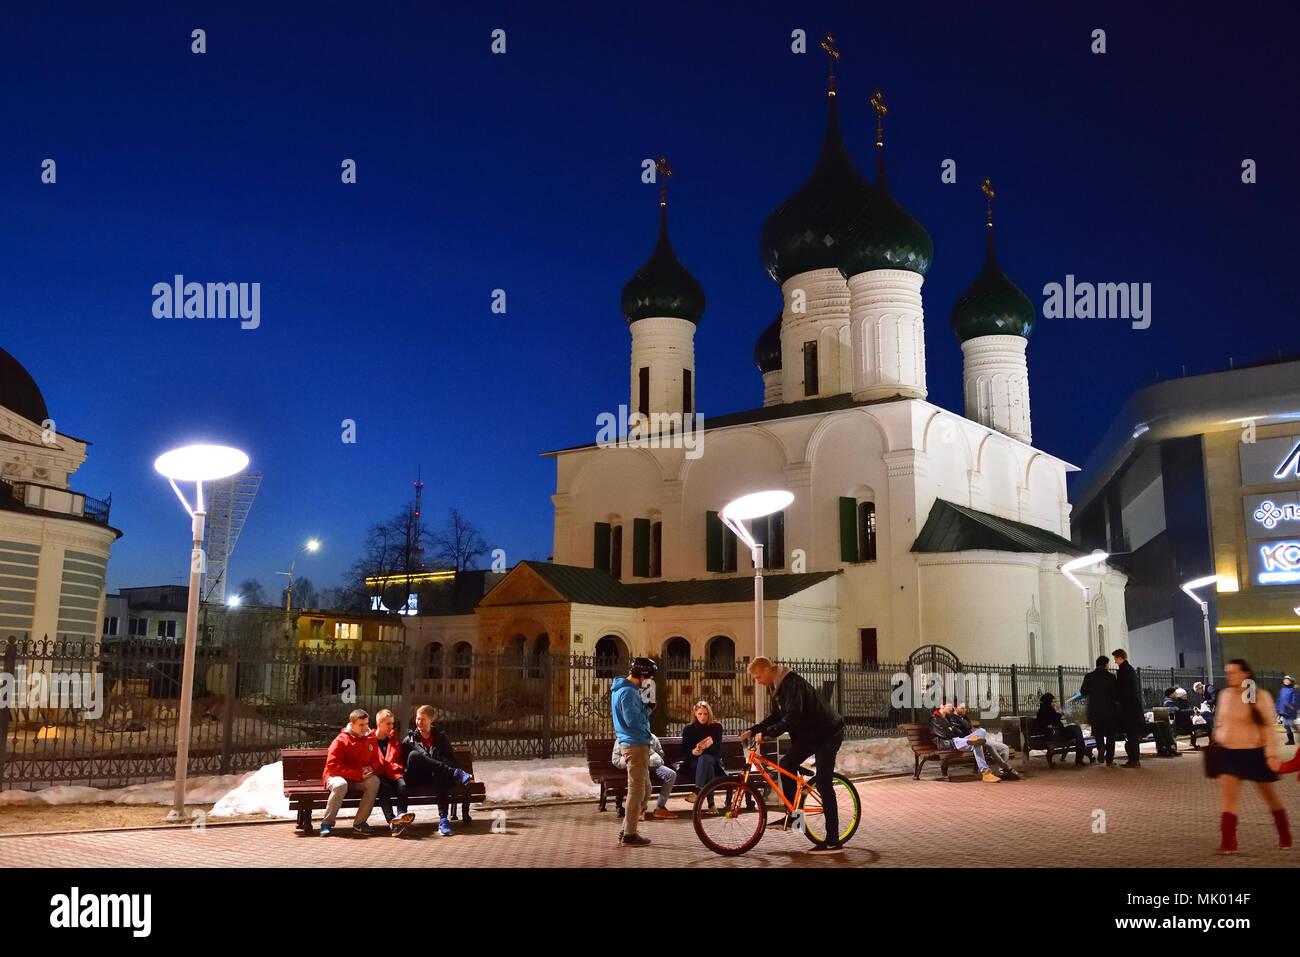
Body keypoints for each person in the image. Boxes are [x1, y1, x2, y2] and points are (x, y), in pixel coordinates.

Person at [741, 656, 846, 854]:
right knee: (786, 764)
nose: (757, 681)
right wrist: (754, 730)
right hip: (810, 734)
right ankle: (794, 818)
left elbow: (793, 716)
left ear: (767, 670)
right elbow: (777, 716)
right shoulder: (775, 687)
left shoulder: (791, 683)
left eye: (757, 677)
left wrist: (770, 733)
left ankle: (833, 841)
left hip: (827, 733)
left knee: (823, 783)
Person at [1208, 659, 1289, 853]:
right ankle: (1228, 841)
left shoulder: (1259, 696)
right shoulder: (1225, 695)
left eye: (1234, 672)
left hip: (1254, 753)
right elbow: (1220, 722)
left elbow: (1268, 729)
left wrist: (1271, 755)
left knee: (1269, 796)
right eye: (1228, 672)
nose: (1230, 676)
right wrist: (1217, 738)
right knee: (1228, 798)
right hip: (1229, 752)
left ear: (1245, 674)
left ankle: (1284, 832)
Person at [402, 705, 473, 836]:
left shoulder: (441, 738)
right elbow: (405, 763)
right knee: (414, 755)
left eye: (423, 719)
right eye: (417, 719)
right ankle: (456, 773)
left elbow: (451, 760)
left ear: (431, 720)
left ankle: (443, 820)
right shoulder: (410, 739)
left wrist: (435, 763)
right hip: (416, 778)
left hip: (435, 777)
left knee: (439, 774)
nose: (419, 722)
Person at [611, 657, 657, 848]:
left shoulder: (627, 691)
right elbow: (633, 721)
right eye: (650, 678)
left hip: (638, 744)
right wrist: (648, 708)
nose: (650, 682)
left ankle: (627, 829)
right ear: (643, 675)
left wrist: (646, 705)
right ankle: (629, 834)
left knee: (645, 790)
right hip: (634, 745)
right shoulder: (628, 693)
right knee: (637, 790)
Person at [320, 709, 381, 837]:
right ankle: (327, 823)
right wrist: (358, 774)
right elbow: (332, 766)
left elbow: (377, 758)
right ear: (352, 724)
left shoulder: (371, 738)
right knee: (341, 785)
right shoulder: (341, 740)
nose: (365, 728)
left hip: (358, 778)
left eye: (366, 724)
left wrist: (371, 768)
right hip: (335, 776)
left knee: (374, 781)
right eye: (361, 725)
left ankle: (359, 823)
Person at [929, 703, 1012, 783]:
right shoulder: (935, 719)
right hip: (947, 743)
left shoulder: (946, 717)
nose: (951, 708)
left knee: (981, 732)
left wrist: (951, 728)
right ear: (941, 706)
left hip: (957, 740)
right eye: (949, 706)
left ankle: (974, 741)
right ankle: (986, 773)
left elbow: (956, 730)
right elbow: (945, 735)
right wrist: (951, 729)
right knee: (976, 744)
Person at [611, 731, 678, 819]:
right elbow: (616, 760)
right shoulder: (623, 738)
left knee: (671, 774)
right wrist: (630, 760)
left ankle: (660, 808)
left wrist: (653, 758)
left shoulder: (652, 737)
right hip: (634, 766)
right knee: (644, 774)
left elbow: (660, 755)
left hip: (652, 765)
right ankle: (640, 809)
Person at [373, 708, 416, 836]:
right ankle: (392, 821)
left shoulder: (395, 740)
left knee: (402, 785)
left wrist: (398, 768)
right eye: (388, 723)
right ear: (379, 723)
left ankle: (401, 815)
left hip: (393, 773)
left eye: (392, 723)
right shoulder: (370, 740)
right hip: (379, 775)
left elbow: (400, 759)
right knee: (382, 787)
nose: (391, 726)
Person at [680, 700, 727, 810]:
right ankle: (711, 804)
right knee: (706, 765)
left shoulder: (716, 727)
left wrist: (709, 745)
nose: (703, 717)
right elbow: (685, 752)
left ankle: (698, 791)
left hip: (713, 760)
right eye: (700, 714)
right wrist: (693, 752)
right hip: (693, 763)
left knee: (706, 759)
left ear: (709, 714)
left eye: (705, 714)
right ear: (695, 714)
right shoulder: (689, 729)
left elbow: (718, 752)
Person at [950, 703, 1020, 777]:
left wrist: (974, 730)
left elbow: (970, 728)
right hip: (965, 741)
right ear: (955, 708)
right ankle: (1007, 768)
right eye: (962, 708)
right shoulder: (952, 718)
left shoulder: (964, 717)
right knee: (987, 743)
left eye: (965, 708)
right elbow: (961, 731)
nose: (965, 710)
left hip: (977, 739)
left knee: (1004, 748)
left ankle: (1003, 771)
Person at [1073, 656, 1119, 765]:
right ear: (1106, 664)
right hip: (1109, 711)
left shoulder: (1089, 676)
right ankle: (1109, 759)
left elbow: (1083, 691)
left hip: (1094, 711)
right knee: (1110, 735)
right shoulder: (1111, 677)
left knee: (1098, 733)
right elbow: (1116, 694)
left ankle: (1101, 748)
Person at [1113, 650, 1147, 767]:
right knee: (1132, 735)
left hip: (1129, 709)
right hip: (1132, 708)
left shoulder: (1124, 671)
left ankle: (1133, 760)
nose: (1114, 660)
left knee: (1131, 735)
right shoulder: (1129, 670)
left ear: (1120, 657)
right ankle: (1134, 759)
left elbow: (1122, 690)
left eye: (1115, 658)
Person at [1036, 693, 1090, 765]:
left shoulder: (1046, 710)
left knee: (1076, 730)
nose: (1054, 703)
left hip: (1058, 733)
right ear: (1048, 701)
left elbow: (1059, 717)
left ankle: (1080, 756)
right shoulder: (1045, 711)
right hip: (1055, 735)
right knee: (1077, 731)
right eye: (1052, 702)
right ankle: (1080, 757)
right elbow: (1059, 717)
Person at [1277, 675, 1298, 746]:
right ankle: (1291, 740)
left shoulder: (1293, 690)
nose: (1285, 681)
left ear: (1291, 682)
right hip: (1283, 710)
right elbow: (1279, 699)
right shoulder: (1282, 690)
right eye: (1285, 679)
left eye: (1287, 680)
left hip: (1289, 711)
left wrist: (1291, 706)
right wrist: (1277, 709)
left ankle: (1296, 733)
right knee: (1286, 725)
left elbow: (1294, 700)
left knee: (1289, 724)